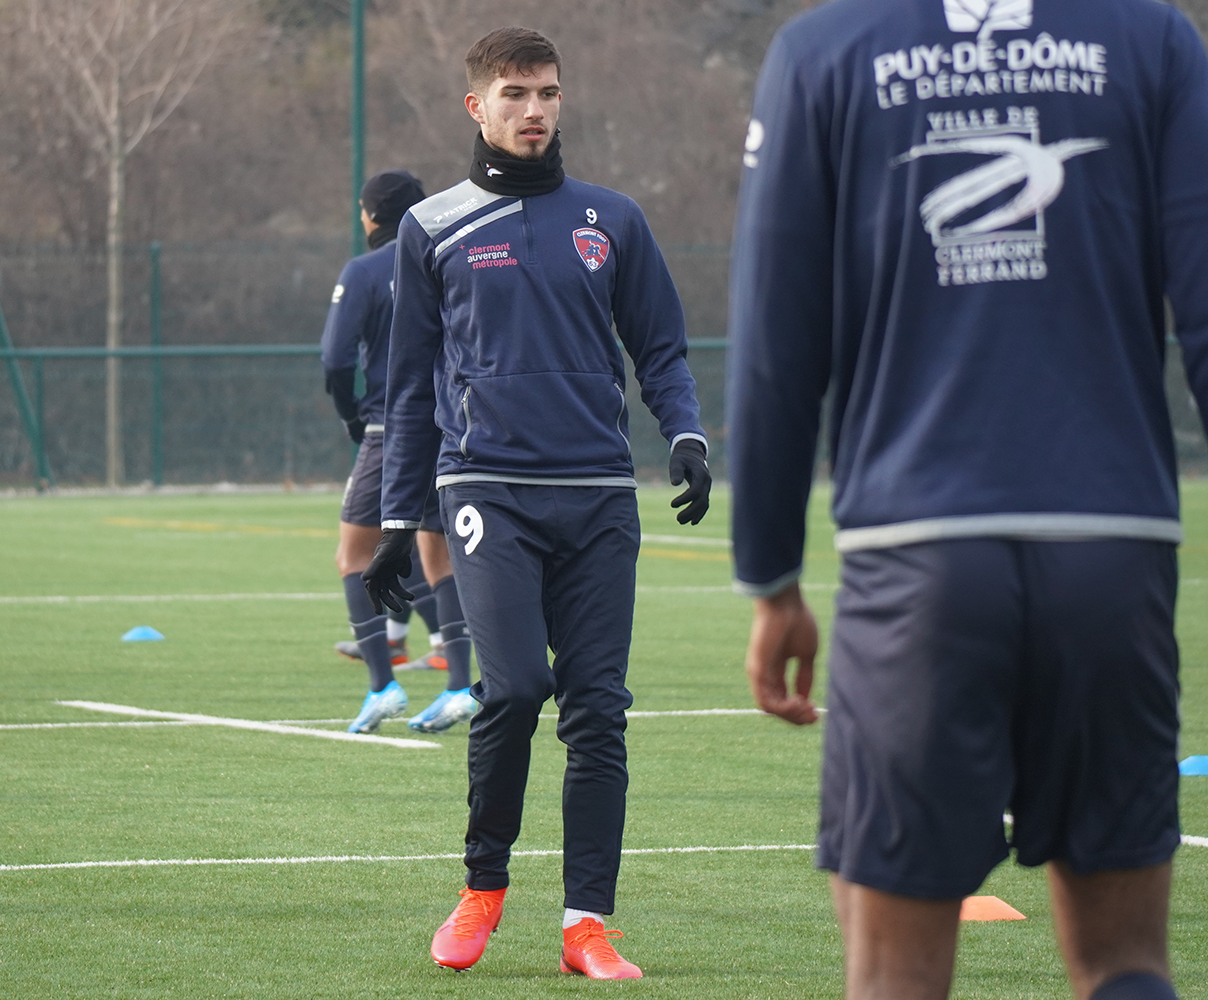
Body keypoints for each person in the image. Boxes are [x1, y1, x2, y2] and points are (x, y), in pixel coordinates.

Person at [730, 1, 1208, 998]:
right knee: (1128, 964)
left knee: (896, 978)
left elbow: (775, 341)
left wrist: (771, 573)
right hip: (1114, 551)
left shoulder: (825, 52)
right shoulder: (1156, 40)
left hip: (919, 560)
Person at [363, 26, 712, 979]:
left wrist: (684, 432)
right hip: (487, 489)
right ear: (477, 107)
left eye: (548, 93)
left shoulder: (613, 220)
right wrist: (401, 521)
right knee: (513, 688)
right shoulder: (429, 228)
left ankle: (587, 924)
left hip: (598, 493)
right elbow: (406, 386)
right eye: (515, 94)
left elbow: (663, 349)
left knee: (598, 709)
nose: (535, 110)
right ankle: (482, 888)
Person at [322, 168, 480, 734]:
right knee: (439, 558)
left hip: (391, 430)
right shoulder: (454, 256)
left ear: (370, 216)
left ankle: (382, 685)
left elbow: (336, 359)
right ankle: (460, 687)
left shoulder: (364, 271)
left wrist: (350, 414)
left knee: (354, 556)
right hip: (451, 425)